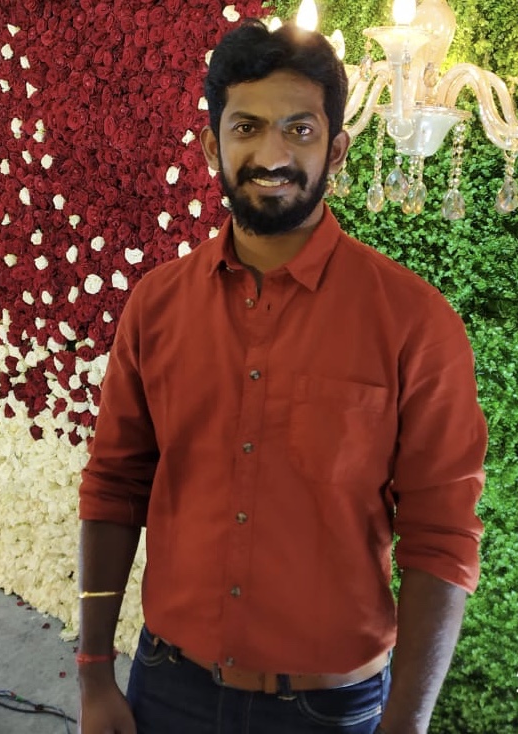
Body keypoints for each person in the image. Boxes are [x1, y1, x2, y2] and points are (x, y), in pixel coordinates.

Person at [77, 19, 487, 734]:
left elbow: (441, 534)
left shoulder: (414, 323)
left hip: (330, 710)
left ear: (336, 151)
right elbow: (115, 483)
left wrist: (406, 725)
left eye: (299, 130)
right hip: (166, 688)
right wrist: (92, 671)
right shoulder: (156, 305)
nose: (272, 155)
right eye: (247, 128)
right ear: (213, 146)